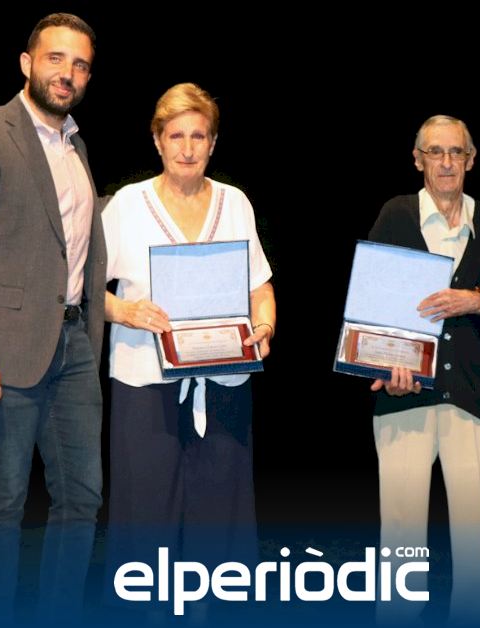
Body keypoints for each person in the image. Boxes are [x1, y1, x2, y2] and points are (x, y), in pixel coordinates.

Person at [0, 12, 105, 624]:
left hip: (75, 344)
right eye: (56, 58)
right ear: (27, 63)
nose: (68, 73)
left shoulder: (76, 146)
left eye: (80, 64)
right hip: (4, 350)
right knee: (3, 501)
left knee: (82, 498)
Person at [100, 83, 276, 605]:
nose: (187, 148)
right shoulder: (127, 205)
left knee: (220, 520)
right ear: (157, 140)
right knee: (144, 519)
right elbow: (82, 287)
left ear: (213, 143)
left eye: (198, 136)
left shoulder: (234, 202)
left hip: (223, 381)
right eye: (175, 135)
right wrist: (125, 311)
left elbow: (260, 287)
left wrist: (265, 326)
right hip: (144, 382)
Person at [367, 115, 480, 625]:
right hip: (403, 398)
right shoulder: (396, 215)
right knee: (400, 543)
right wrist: (386, 364)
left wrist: (477, 300)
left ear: (471, 160)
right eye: (435, 152)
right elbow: (370, 306)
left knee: (475, 548)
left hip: (471, 399)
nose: (446, 162)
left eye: (456, 152)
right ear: (418, 160)